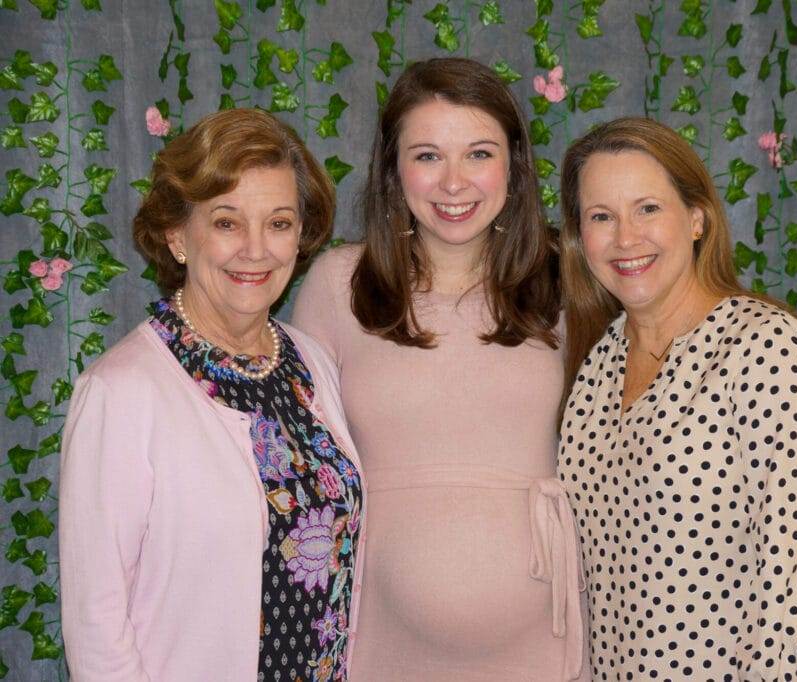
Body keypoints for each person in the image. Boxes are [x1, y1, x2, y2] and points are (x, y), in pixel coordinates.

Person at [292, 57, 587, 681]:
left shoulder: (570, 281)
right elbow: (302, 473)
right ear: (394, 170)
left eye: (478, 154)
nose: (454, 183)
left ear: (513, 163)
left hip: (547, 645)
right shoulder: (336, 284)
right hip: (378, 643)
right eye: (427, 156)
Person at [58, 108, 366, 682]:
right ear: (178, 235)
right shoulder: (121, 392)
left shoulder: (311, 364)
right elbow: (96, 627)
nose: (256, 250)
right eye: (227, 222)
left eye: (278, 223)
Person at [557, 117, 797, 681]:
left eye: (647, 208)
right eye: (602, 216)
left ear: (697, 219)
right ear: (580, 236)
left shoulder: (766, 349)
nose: (625, 238)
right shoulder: (596, 369)